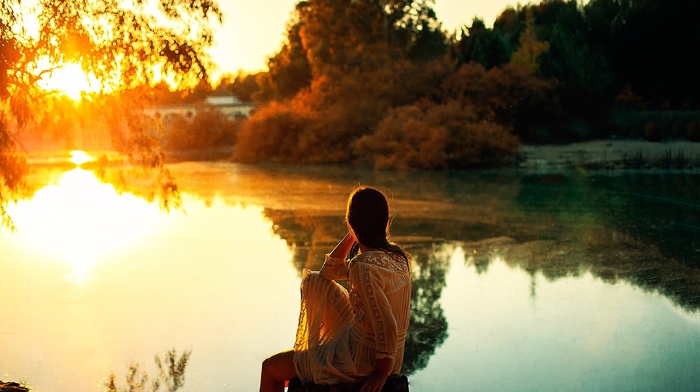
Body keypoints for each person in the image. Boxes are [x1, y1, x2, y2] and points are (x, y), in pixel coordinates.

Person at [259, 186, 412, 392]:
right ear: (384, 221)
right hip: (390, 357)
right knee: (314, 280)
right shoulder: (396, 258)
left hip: (360, 362)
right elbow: (327, 272)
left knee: (270, 368)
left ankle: (313, 360)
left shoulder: (363, 266)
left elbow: (388, 324)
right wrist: (353, 234)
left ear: (352, 222)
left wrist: (381, 373)